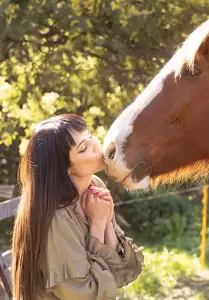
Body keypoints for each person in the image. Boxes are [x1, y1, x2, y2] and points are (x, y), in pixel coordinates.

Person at [12, 114, 144, 300]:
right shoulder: (56, 218)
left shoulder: (94, 186)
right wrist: (97, 224)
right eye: (84, 148)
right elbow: (86, 295)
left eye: (90, 136)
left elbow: (120, 269)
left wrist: (106, 221)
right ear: (65, 168)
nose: (96, 146)